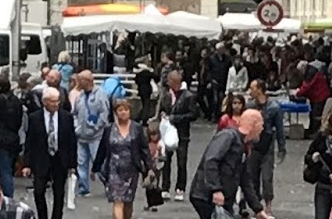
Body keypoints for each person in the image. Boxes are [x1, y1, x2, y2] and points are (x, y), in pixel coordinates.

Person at [189, 109, 265, 219]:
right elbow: (211, 160)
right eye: (261, 125)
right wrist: (216, 190)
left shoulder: (243, 145)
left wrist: (258, 209)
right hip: (206, 196)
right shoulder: (228, 136)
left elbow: (245, 180)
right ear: (253, 125)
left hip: (221, 198)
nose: (262, 129)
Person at [22, 87, 78, 219]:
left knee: (59, 192)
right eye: (52, 101)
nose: (56, 104)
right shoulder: (35, 118)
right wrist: (27, 164)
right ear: (45, 102)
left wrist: (72, 164)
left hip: (60, 158)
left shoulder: (66, 117)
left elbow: (72, 141)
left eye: (57, 101)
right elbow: (30, 141)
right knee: (39, 191)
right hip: (41, 159)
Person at [93, 99, 151, 219]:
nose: (123, 112)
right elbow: (102, 149)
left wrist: (149, 167)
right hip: (114, 169)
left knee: (128, 202)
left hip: (131, 169)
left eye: (126, 110)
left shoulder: (137, 128)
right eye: (120, 110)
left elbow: (144, 149)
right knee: (117, 200)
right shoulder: (109, 129)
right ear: (115, 113)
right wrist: (95, 168)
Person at [154, 69, 198, 201]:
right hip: (167, 132)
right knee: (165, 161)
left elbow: (193, 114)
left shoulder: (188, 96)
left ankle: (180, 188)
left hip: (182, 133)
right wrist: (162, 114)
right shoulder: (166, 94)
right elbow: (162, 109)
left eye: (169, 80)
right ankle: (165, 187)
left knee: (181, 162)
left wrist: (176, 118)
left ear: (175, 81)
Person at [247, 79, 286, 217]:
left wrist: (281, 147)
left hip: (267, 146)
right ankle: (257, 206)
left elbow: (280, 128)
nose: (250, 91)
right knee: (253, 177)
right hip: (253, 146)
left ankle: (268, 205)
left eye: (252, 88)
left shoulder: (274, 108)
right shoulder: (250, 106)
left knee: (267, 177)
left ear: (259, 90)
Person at [73, 70, 111, 198]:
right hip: (81, 136)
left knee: (98, 162)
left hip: (96, 136)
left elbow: (104, 114)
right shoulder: (80, 96)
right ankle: (83, 188)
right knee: (81, 162)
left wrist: (96, 127)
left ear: (87, 81)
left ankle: (108, 183)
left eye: (80, 80)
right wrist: (76, 127)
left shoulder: (101, 95)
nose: (78, 82)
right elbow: (74, 113)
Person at [296, 62, 332, 132]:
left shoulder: (311, 73)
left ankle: (315, 132)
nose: (300, 72)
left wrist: (298, 93)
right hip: (317, 96)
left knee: (316, 115)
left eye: (300, 70)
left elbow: (307, 86)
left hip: (319, 96)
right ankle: (312, 130)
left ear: (303, 68)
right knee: (313, 114)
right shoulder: (311, 71)